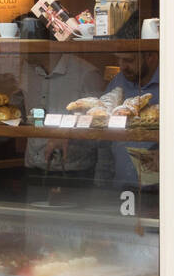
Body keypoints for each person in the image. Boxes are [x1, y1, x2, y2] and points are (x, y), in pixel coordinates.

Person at [15, 52, 104, 194]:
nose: (21, 48)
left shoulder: (86, 73)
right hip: (33, 166)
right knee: (34, 215)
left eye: (28, 42)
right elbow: (18, 107)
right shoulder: (26, 69)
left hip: (74, 171)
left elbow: (99, 119)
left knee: (69, 216)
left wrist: (66, 134)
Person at [98, 50, 161, 193]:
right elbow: (103, 128)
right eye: (119, 60)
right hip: (120, 185)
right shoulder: (119, 81)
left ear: (151, 56)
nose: (122, 67)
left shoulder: (173, 83)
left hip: (160, 190)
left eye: (129, 60)